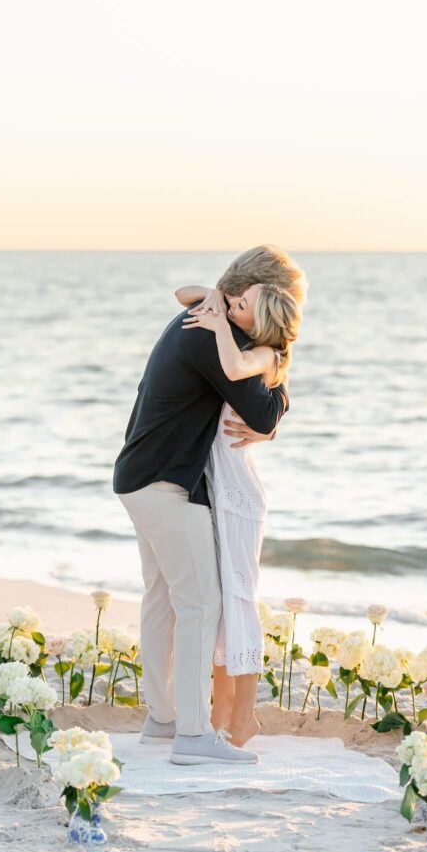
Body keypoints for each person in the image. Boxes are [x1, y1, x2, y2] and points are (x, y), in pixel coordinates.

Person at [113, 245, 304, 764]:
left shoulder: (194, 317)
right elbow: (261, 417)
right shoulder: (218, 338)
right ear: (254, 296)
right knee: (201, 604)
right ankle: (193, 735)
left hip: (137, 476)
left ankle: (163, 718)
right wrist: (281, 382)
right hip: (168, 487)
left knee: (163, 600)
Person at [178, 282, 302, 747]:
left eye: (241, 305)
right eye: (233, 300)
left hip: (241, 498)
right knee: (221, 605)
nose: (230, 307)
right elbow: (182, 292)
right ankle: (222, 711)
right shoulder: (242, 338)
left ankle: (244, 717)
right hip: (218, 491)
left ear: (264, 320)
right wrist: (215, 294)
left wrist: (214, 323)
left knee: (241, 603)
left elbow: (232, 366)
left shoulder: (266, 355)